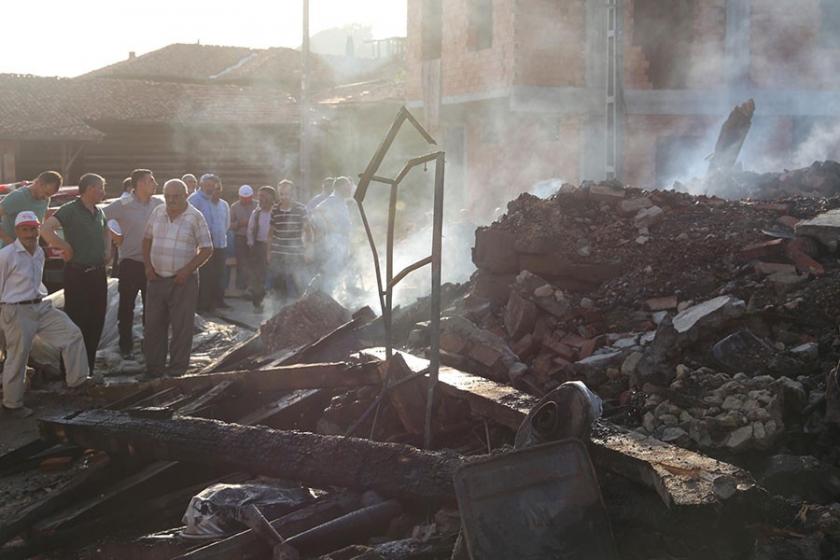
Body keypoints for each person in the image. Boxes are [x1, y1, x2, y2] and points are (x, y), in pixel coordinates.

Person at [0, 211, 90, 417]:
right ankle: (12, 405)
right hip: (16, 309)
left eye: (33, 229)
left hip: (41, 306)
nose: (30, 234)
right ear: (17, 231)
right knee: (18, 356)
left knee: (72, 334)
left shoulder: (39, 252)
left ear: (39, 229)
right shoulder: (6, 256)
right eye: (25, 229)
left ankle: (77, 384)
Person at [41, 173, 109, 377]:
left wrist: (108, 251)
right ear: (90, 188)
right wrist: (64, 246)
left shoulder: (98, 212)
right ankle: (70, 371)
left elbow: (106, 230)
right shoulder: (70, 210)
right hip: (78, 274)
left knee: (96, 321)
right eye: (101, 187)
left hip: (98, 274)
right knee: (77, 322)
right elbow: (46, 229)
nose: (103, 192)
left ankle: (87, 369)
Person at [143, 179, 213, 377]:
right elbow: (147, 239)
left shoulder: (195, 217)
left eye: (176, 196)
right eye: (167, 196)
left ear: (185, 195)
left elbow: (207, 249)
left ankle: (176, 370)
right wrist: (147, 266)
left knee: (182, 328)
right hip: (156, 278)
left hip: (183, 281)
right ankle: (154, 369)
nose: (171, 200)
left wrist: (187, 270)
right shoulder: (157, 212)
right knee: (153, 327)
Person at [103, 169, 162, 360]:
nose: (155, 184)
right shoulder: (124, 204)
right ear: (140, 184)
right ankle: (126, 346)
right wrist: (114, 235)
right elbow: (100, 218)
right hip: (130, 263)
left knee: (152, 308)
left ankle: (150, 345)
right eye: (151, 181)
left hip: (153, 264)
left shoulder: (158, 204)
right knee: (126, 307)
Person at [188, 174, 229, 312]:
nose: (211, 188)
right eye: (208, 185)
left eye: (213, 186)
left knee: (218, 274)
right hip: (203, 245)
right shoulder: (195, 199)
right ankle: (203, 306)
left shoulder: (220, 203)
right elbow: (189, 221)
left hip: (219, 244)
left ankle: (217, 302)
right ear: (202, 184)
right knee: (206, 275)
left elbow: (226, 223)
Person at [268, 180, 311, 301]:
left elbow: (308, 231)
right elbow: (270, 233)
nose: (285, 197)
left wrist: (308, 250)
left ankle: (295, 312)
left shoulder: (301, 209)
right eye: (282, 194)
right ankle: (278, 314)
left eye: (288, 194)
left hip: (295, 253)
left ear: (293, 194)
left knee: (296, 286)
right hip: (278, 253)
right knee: (278, 287)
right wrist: (268, 253)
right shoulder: (275, 209)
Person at [311, 176, 354, 294]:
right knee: (332, 272)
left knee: (340, 272)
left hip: (341, 242)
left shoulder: (341, 202)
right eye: (347, 187)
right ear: (339, 188)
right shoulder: (333, 200)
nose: (350, 190)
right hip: (334, 242)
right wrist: (329, 227)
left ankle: (334, 296)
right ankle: (326, 296)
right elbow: (316, 212)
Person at [0, 170, 62, 247]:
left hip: (32, 252)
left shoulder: (45, 200)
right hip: (10, 253)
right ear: (39, 183)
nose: (46, 198)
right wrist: (13, 244)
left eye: (50, 195)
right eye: (46, 193)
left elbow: (41, 225)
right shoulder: (17, 197)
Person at [246, 186, 276, 311]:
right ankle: (258, 304)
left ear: (271, 198)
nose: (260, 199)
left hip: (274, 247)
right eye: (260, 196)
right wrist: (251, 244)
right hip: (258, 247)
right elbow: (250, 230)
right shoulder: (256, 213)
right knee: (257, 277)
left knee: (273, 275)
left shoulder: (277, 212)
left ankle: (274, 303)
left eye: (263, 196)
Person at [229, 185, 256, 293]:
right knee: (242, 262)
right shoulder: (234, 207)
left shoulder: (257, 205)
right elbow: (229, 225)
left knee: (254, 262)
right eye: (243, 198)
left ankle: (253, 287)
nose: (245, 200)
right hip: (240, 238)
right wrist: (240, 224)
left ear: (251, 196)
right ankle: (242, 287)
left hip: (255, 238)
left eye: (247, 198)